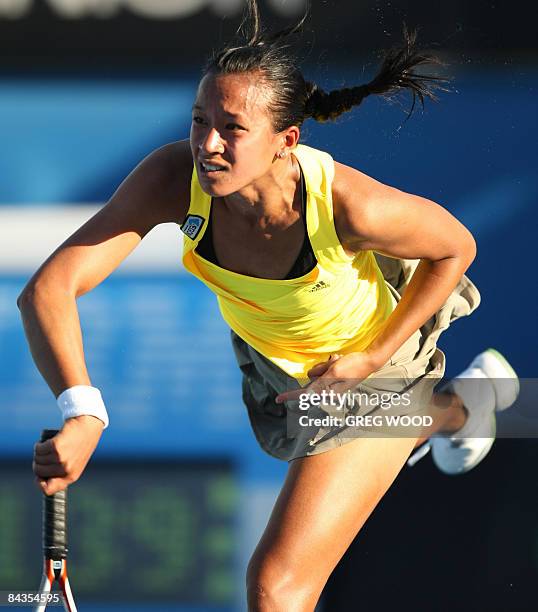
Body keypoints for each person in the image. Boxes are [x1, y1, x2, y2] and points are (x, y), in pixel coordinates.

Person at [18, 2, 519, 610]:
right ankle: (466, 407)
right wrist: (83, 412)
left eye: (232, 128)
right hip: (278, 366)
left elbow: (456, 248)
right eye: (200, 119)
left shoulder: (349, 208)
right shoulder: (175, 180)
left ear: (287, 140)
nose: (208, 143)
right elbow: (48, 289)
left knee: (277, 588)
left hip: (374, 365)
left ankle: (448, 408)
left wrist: (369, 356)